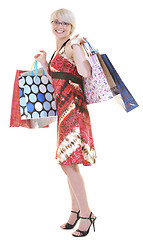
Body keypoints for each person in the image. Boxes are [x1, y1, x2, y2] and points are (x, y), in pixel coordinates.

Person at [34, 8, 97, 237]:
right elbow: (55, 82)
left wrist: (79, 47)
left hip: (75, 111)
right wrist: (43, 63)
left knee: (68, 162)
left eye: (65, 23)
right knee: (68, 163)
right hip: (64, 111)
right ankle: (75, 210)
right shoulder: (58, 48)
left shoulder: (72, 45)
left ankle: (86, 214)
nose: (59, 26)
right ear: (51, 24)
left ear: (71, 26)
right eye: (56, 22)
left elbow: (85, 72)